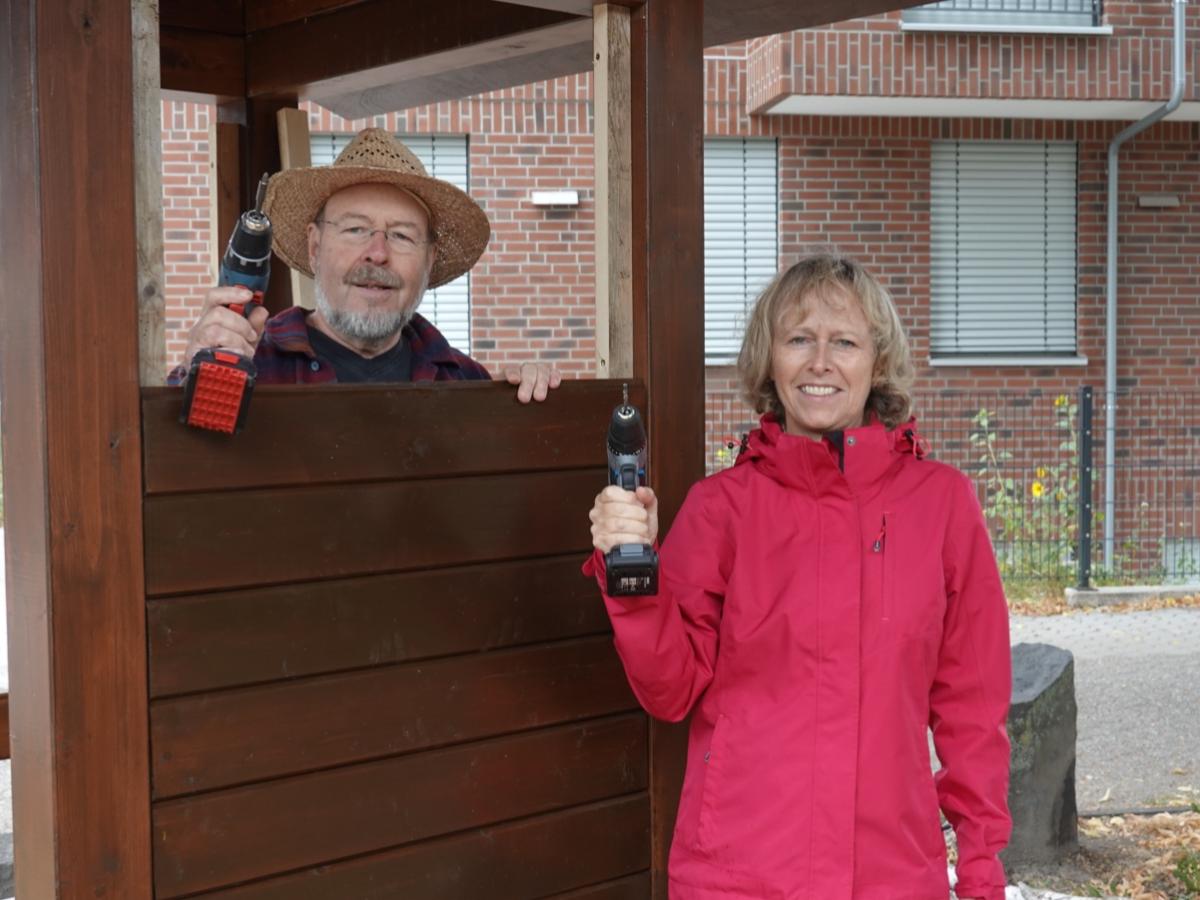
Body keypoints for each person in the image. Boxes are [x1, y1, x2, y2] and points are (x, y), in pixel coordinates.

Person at [585, 253, 1012, 899]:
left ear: (877, 362)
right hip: (740, 872)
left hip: (892, 875)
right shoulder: (721, 507)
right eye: (798, 339)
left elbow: (972, 712)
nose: (820, 361)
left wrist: (980, 871)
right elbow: (669, 692)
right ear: (769, 359)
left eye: (844, 341)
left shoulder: (942, 504)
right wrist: (629, 576)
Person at [174, 128, 561, 402]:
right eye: (356, 229)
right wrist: (190, 380)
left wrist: (530, 399)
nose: (377, 253)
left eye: (402, 235)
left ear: (428, 260)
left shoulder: (465, 382)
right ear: (315, 246)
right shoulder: (246, 365)